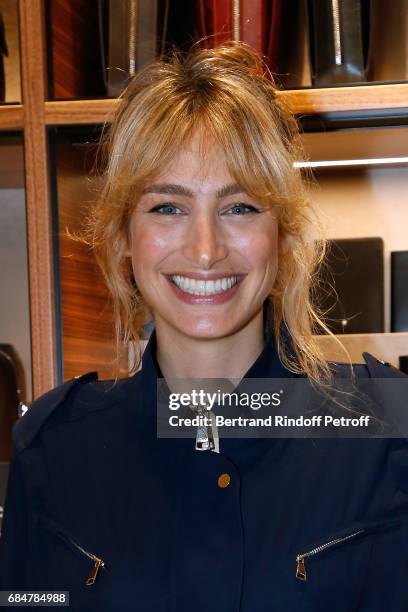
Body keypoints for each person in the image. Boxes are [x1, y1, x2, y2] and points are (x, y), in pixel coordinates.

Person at [0, 42, 408, 612]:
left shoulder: (387, 428)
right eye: (167, 207)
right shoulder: (53, 447)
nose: (206, 250)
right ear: (124, 239)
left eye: (239, 207)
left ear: (283, 237)